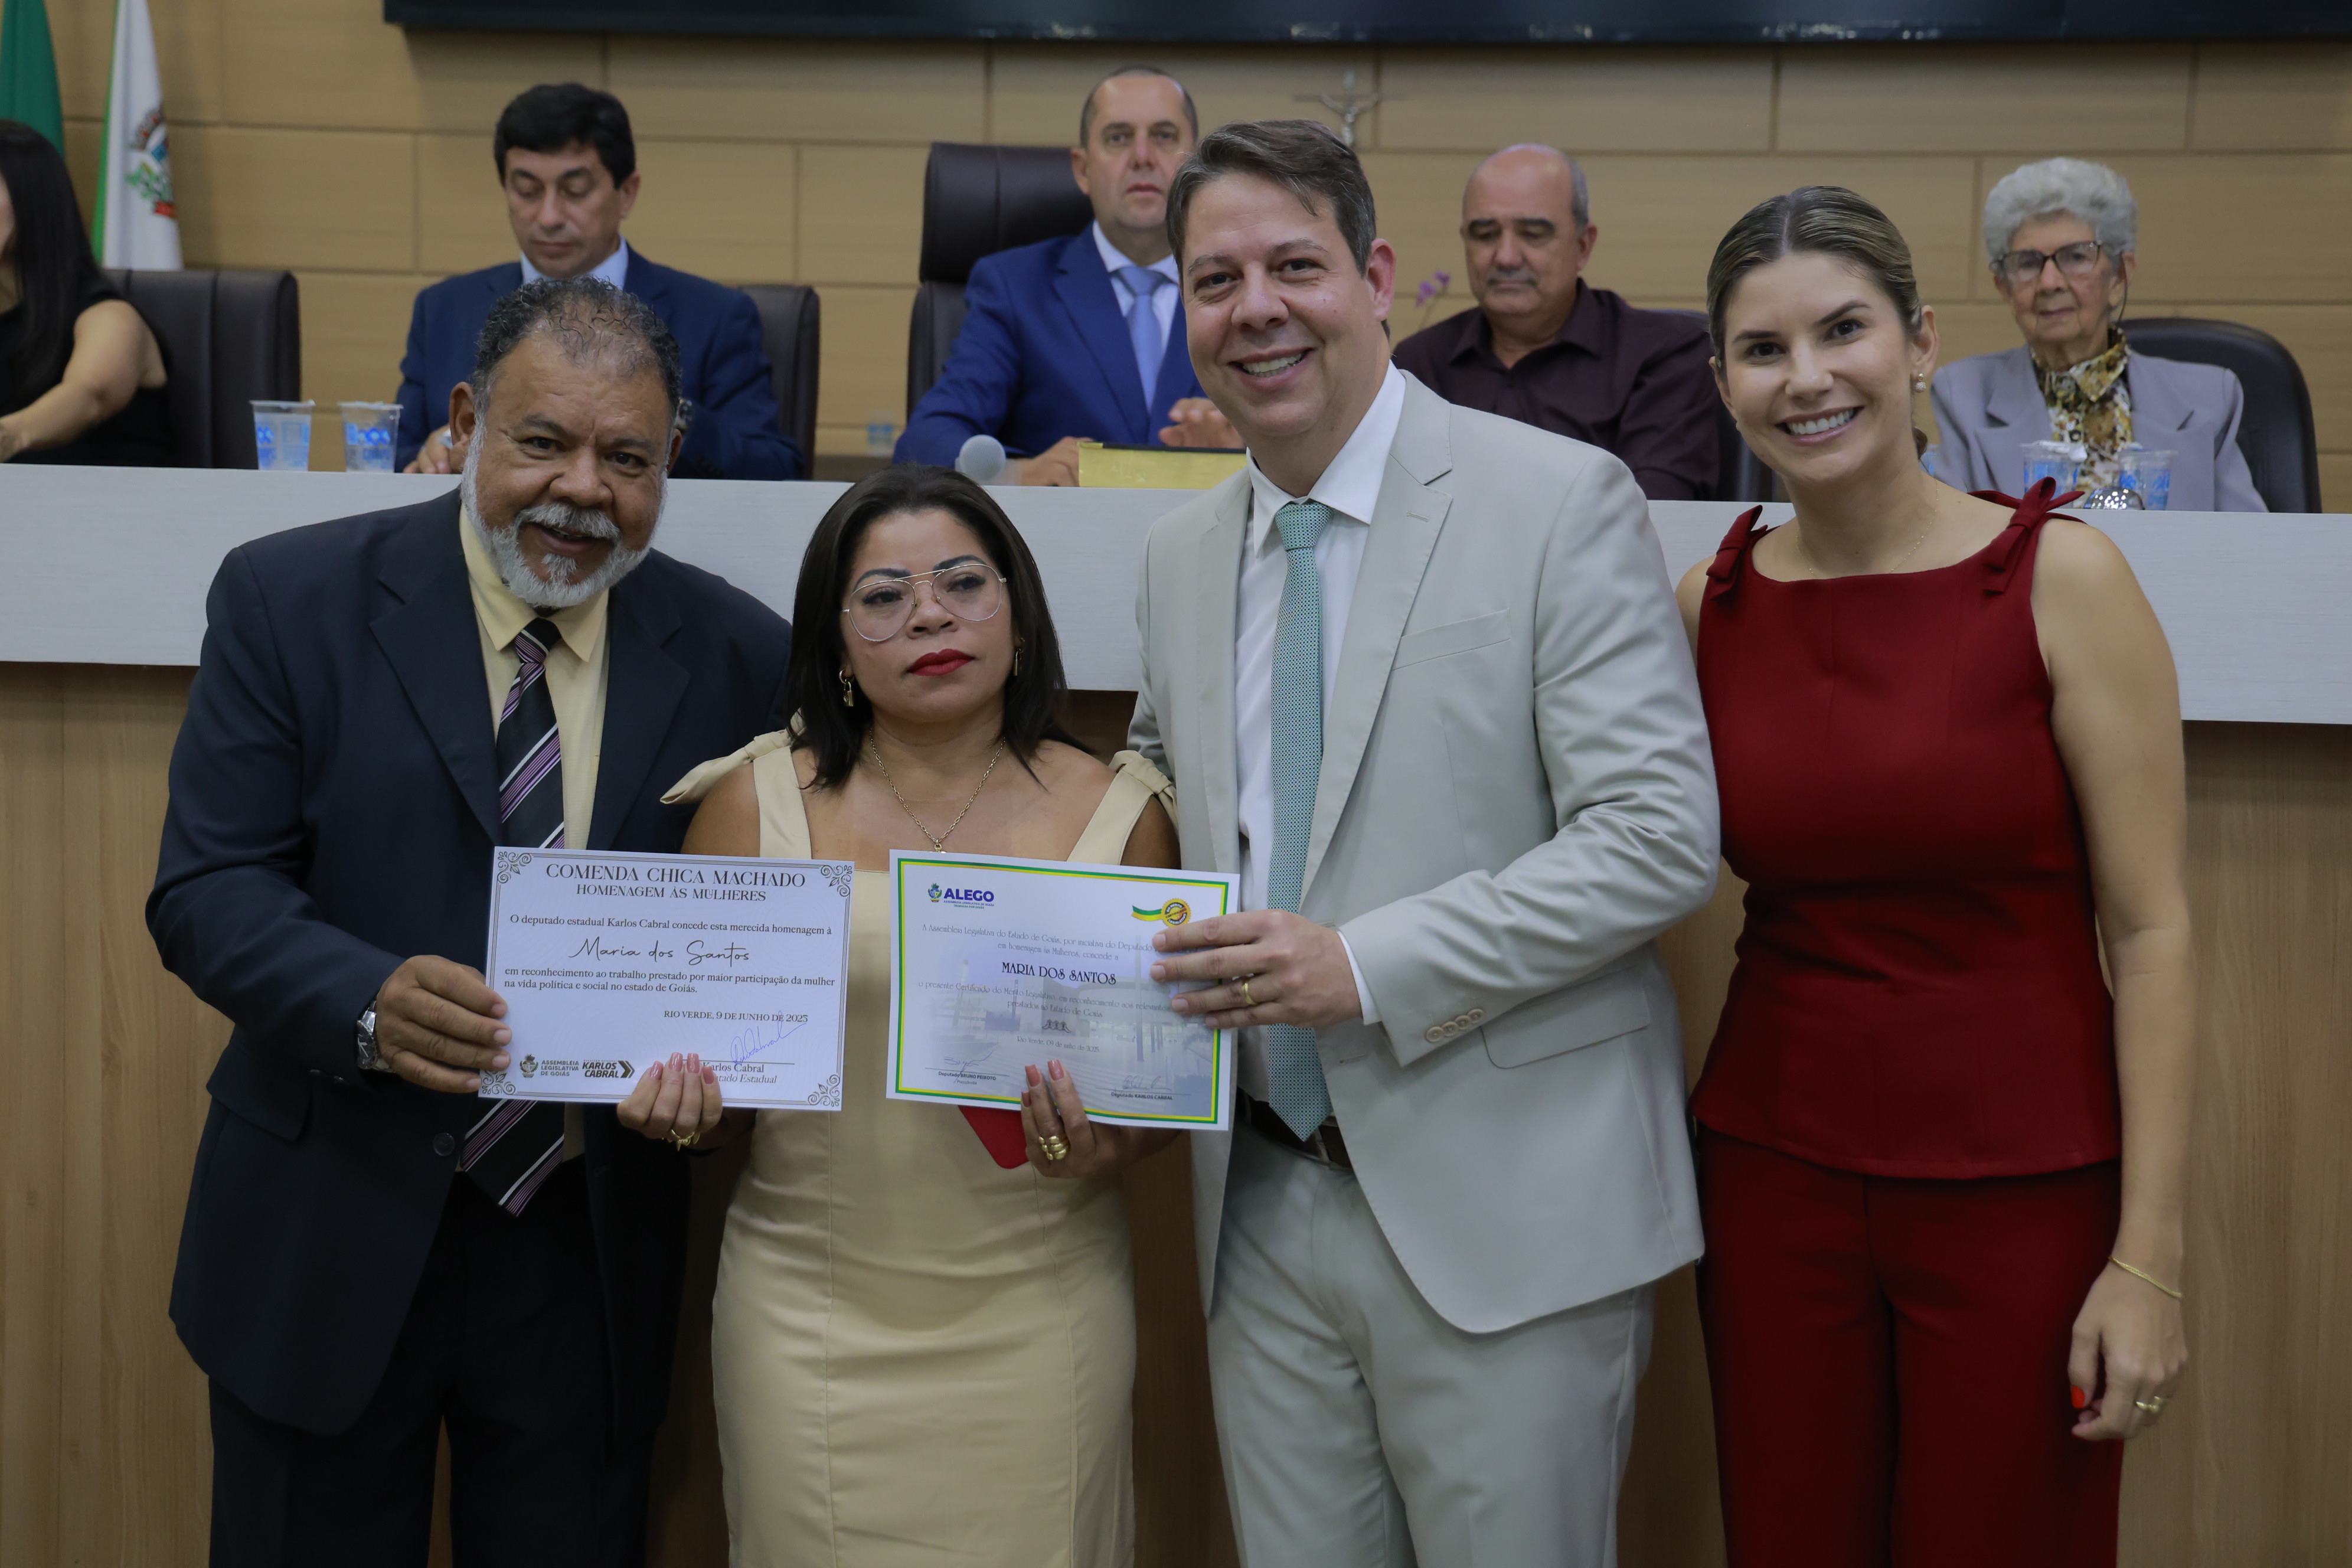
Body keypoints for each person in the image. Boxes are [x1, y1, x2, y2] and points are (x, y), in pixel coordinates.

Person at [1126, 120, 1719, 1565]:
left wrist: (1365, 965)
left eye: (1294, 266)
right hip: (1258, 1204)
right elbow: (1169, 797)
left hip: (1505, 1208)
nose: (1255, 310)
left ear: (1378, 275)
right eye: (1215, 280)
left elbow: (1658, 838)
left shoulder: (1557, 499)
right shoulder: (1182, 552)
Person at [149, 276, 792, 1566]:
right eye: (543, 441)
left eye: (628, 458)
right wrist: (366, 1001)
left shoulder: (740, 655)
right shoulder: (290, 597)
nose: (582, 490)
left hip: (583, 1240)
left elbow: (756, 939)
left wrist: (723, 1081)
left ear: (671, 461)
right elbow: (209, 888)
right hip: (330, 1209)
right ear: (465, 423)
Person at [1673, 185, 2193, 1565]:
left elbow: (2152, 933)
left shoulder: (2064, 577)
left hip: (2024, 1184)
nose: (1807, 377)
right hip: (1771, 1175)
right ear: (1723, 383)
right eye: (1763, 349)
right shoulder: (1708, 601)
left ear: (1919, 344)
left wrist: (2148, 1256)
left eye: (1842, 330)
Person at [657, 466, 1181, 1565]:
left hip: (1039, 1310)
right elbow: (721, 1101)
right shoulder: (751, 804)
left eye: (962, 583)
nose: (930, 616)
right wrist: (688, 1114)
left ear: (1020, 623)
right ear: (836, 648)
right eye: (883, 597)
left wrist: (1113, 1141)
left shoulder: (1124, 816)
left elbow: (1152, 1097)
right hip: (805, 1312)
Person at [396, 83, 801, 481]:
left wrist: (672, 412)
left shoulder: (715, 316)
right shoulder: (444, 309)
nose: (549, 217)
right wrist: (429, 455)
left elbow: (774, 469)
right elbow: (391, 460)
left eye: (574, 191)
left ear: (627, 193)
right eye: (527, 191)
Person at [895, 66, 1218, 485]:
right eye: (1118, 138)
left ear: (1196, 165)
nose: (1142, 157)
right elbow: (925, 442)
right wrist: (1017, 475)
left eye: (1164, 136)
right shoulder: (1015, 287)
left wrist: (1245, 449)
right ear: (1083, 169)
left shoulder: (1244, 286)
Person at [1932, 156, 2262, 511]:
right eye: (2027, 263)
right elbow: (1953, 536)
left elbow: (2250, 540)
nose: (2049, 283)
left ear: (2119, 276)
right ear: (2004, 288)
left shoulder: (2208, 400)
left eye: (2075, 257)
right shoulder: (1963, 396)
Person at [1390, 144, 1719, 500]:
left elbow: (1652, 511)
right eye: (1485, 235)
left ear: (1583, 246)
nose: (1506, 257)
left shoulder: (1664, 357)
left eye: (1533, 234)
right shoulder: (1420, 364)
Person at [0, 120, 169, 465]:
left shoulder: (109, 317)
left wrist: (11, 435)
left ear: (33, 200)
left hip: (114, 497)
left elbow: (89, 395)